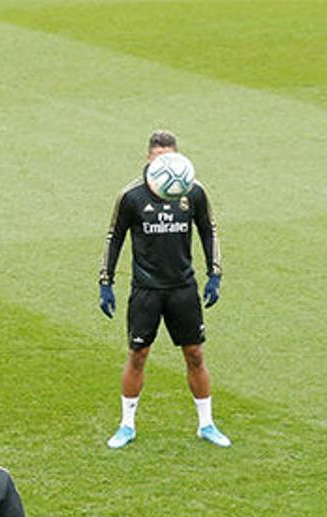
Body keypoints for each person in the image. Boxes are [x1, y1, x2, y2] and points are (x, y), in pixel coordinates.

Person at [98, 130, 230, 449]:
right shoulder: (132, 196)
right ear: (148, 157)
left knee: (195, 354)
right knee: (138, 355)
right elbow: (113, 237)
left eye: (170, 158)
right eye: (159, 158)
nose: (165, 165)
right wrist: (106, 281)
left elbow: (208, 230)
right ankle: (127, 425)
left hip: (183, 288)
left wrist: (215, 274)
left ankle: (206, 424)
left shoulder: (193, 191)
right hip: (146, 289)